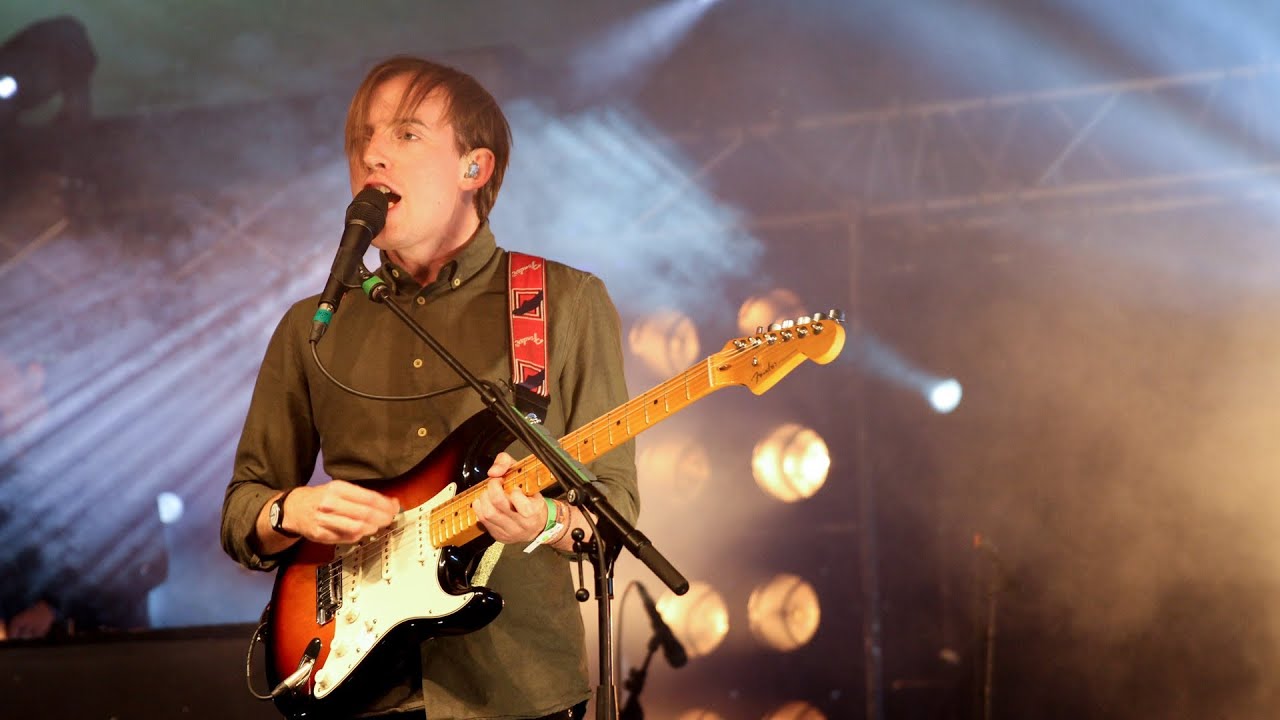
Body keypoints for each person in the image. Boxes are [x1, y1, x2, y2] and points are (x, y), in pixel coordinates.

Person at [220, 56, 638, 720]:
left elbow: (612, 516)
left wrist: (548, 521)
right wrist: (289, 512)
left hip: (514, 692)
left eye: (406, 134)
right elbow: (244, 507)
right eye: (364, 138)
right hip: (351, 687)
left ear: (475, 168)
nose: (373, 153)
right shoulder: (311, 327)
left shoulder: (561, 302)